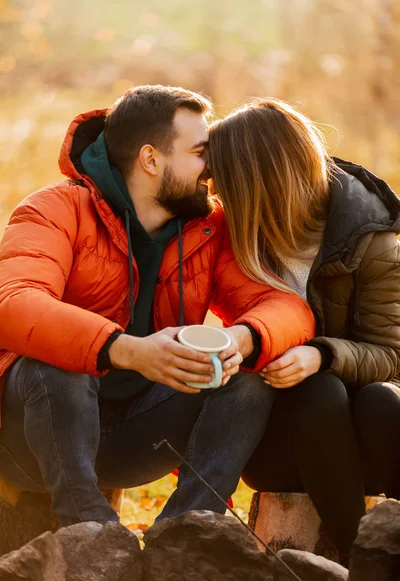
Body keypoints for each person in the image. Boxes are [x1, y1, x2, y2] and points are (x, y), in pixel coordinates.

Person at [0, 86, 315, 527]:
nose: (213, 168)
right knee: (54, 364)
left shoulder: (207, 227)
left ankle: (189, 529)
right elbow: (12, 304)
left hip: (132, 440)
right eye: (201, 152)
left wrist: (240, 340)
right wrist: (130, 351)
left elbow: (283, 305)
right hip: (28, 443)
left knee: (243, 376)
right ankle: (90, 529)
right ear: (151, 160)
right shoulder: (55, 208)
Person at [208, 98, 400, 565]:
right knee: (318, 393)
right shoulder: (235, 238)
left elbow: (393, 356)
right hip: (283, 442)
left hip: (369, 440)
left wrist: (322, 354)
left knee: (376, 397)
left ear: (258, 181)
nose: (215, 195)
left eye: (223, 183)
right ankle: (365, 567)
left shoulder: (371, 240)